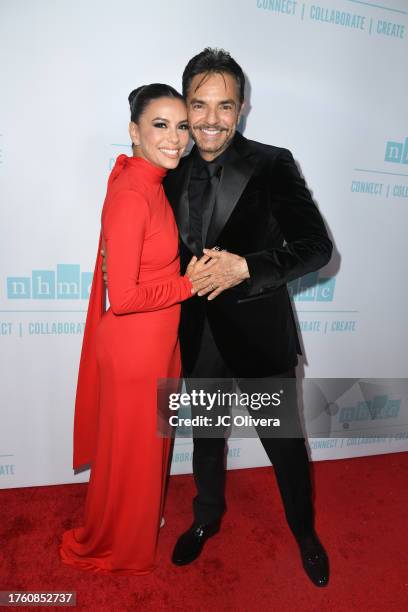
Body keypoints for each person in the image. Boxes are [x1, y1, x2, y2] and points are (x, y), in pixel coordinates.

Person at [163, 48, 333, 587]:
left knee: (283, 444)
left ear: (242, 109)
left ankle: (305, 532)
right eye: (200, 104)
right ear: (186, 107)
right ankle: (205, 518)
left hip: (260, 335)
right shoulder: (167, 168)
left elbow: (316, 248)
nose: (211, 119)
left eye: (225, 106)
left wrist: (248, 267)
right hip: (196, 336)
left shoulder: (272, 162)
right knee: (206, 439)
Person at [59, 84, 203, 575]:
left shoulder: (151, 182)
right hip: (135, 347)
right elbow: (122, 298)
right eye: (160, 125)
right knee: (134, 451)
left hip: (157, 341)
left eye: (181, 126)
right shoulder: (132, 194)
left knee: (147, 449)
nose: (175, 137)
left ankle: (134, 518)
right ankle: (118, 540)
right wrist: (188, 285)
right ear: (134, 132)